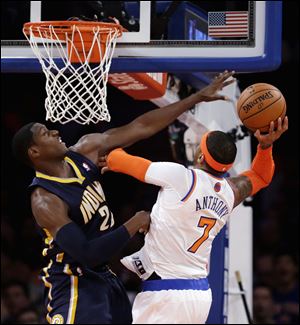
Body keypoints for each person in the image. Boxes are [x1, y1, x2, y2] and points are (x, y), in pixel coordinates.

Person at [11, 70, 234, 324]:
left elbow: (141, 127)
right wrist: (135, 222)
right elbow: (87, 253)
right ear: (35, 151)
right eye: (45, 133)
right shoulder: (45, 199)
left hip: (106, 278)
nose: (54, 131)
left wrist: (197, 98)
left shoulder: (85, 149)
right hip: (74, 282)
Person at [103, 116, 288, 324]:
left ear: (200, 157)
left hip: (166, 294)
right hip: (199, 294)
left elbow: (119, 160)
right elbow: (261, 175)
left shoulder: (181, 177)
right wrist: (265, 146)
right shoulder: (231, 192)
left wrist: (107, 145)